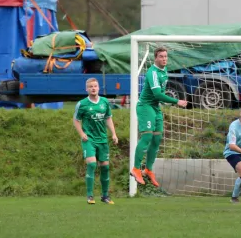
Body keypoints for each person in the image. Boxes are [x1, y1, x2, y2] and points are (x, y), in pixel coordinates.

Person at [130, 47, 188, 187]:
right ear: (155, 58)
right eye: (161, 56)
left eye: (166, 56)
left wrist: (163, 101)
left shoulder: (164, 70)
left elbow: (159, 94)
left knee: (156, 139)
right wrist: (176, 101)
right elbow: (157, 94)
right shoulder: (153, 72)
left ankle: (148, 170)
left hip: (155, 107)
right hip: (145, 106)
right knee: (147, 137)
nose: (164, 59)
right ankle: (136, 169)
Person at [73, 78, 119, 205]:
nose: (93, 88)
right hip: (89, 139)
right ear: (86, 89)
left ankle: (105, 196)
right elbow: (76, 120)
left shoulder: (104, 102)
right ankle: (90, 196)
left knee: (105, 167)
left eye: (95, 86)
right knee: (92, 165)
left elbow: (108, 118)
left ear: (99, 88)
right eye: (90, 86)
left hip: (102, 139)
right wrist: (82, 134)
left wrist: (114, 134)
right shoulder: (82, 104)